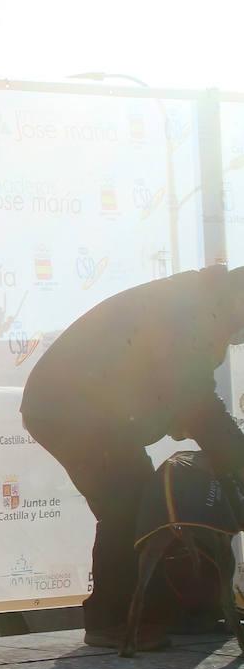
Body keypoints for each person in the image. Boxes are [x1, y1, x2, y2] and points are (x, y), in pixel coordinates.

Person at [21, 265, 244, 649]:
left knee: (146, 504)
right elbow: (198, 403)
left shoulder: (199, 302)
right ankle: (109, 621)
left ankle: (166, 613)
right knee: (125, 503)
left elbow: (183, 396)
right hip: (70, 410)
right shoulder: (184, 309)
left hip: (98, 411)